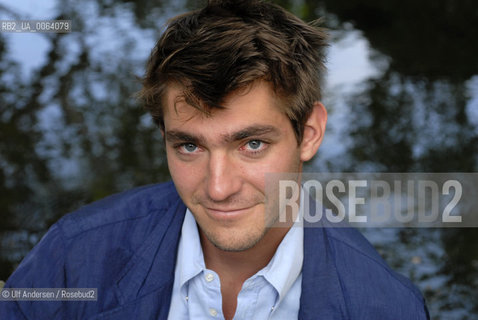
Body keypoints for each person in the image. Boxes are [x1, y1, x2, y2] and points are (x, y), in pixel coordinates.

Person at [0, 0, 429, 319]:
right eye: (189, 146)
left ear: (309, 133)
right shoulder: (73, 258)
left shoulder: (387, 307)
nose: (218, 187)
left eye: (252, 145)